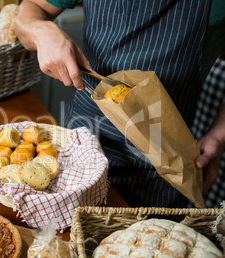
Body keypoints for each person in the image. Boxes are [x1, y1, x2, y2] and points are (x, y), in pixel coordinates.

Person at [15, 0, 225, 207]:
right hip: (79, 144)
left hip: (165, 165)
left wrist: (219, 134)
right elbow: (29, 12)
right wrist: (41, 31)